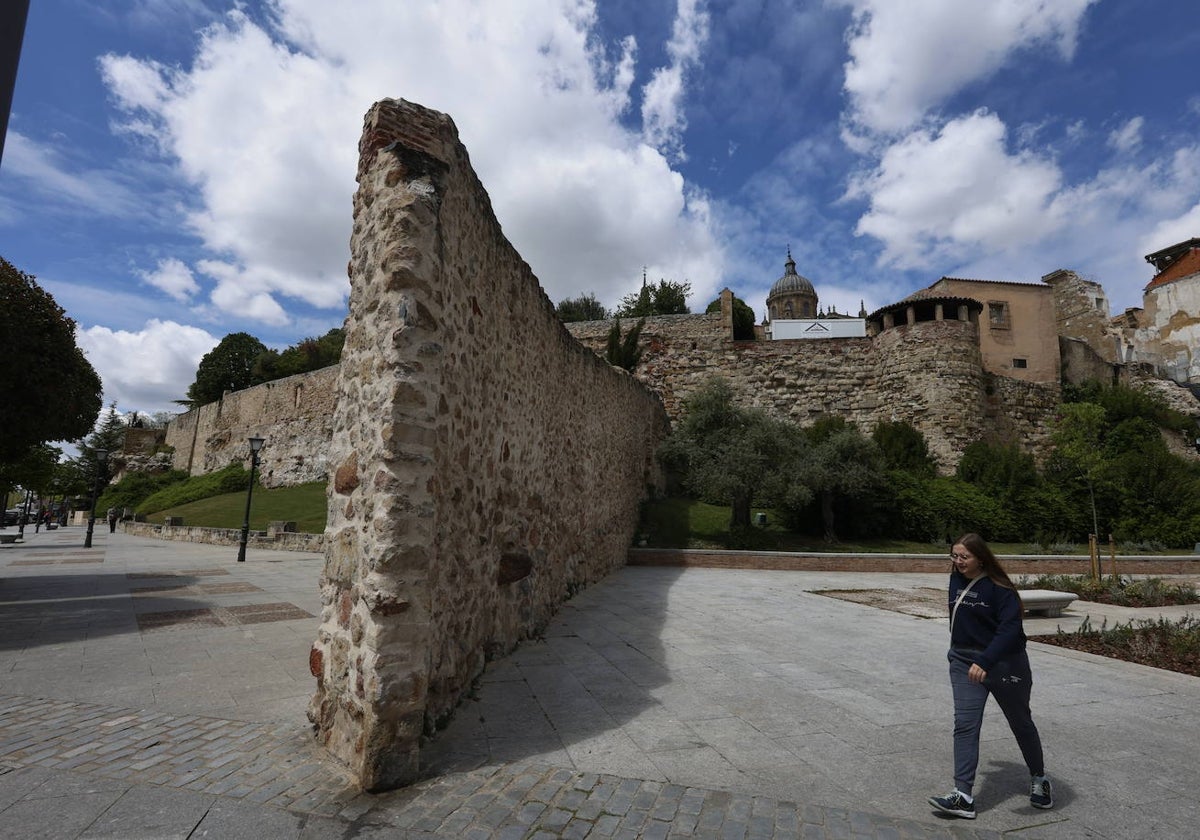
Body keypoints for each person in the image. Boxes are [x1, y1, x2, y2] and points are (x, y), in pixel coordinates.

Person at [928, 533, 1053, 819]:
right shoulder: (955, 578)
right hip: (963, 661)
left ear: (980, 558)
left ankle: (1039, 779)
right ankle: (963, 796)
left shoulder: (1000, 589)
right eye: (954, 556)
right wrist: (959, 652)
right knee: (965, 724)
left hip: (1005, 664)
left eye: (964, 557)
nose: (957, 562)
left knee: (1020, 722)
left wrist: (985, 659)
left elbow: (1010, 630)